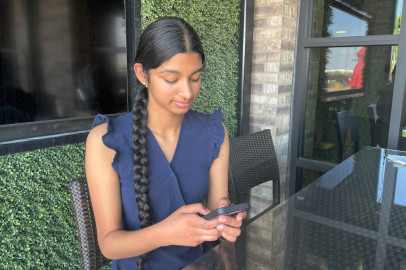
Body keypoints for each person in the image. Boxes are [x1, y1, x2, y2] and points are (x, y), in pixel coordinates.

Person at [85, 17, 246, 270]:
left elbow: (218, 215)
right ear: (142, 74)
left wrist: (225, 223)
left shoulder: (214, 134)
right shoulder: (105, 141)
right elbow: (108, 244)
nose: (187, 92)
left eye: (195, 78)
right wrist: (165, 233)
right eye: (171, 79)